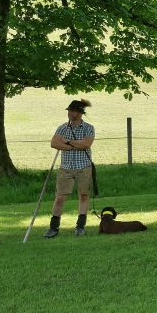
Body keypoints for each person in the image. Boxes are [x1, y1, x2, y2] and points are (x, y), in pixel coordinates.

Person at [44, 99, 96, 238]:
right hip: (65, 168)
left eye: (72, 111)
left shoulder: (88, 128)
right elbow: (54, 143)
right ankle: (53, 228)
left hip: (83, 167)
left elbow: (86, 144)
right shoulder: (62, 128)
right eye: (69, 110)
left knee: (83, 196)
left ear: (79, 113)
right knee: (60, 198)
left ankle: (80, 227)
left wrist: (67, 142)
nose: (70, 113)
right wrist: (74, 145)